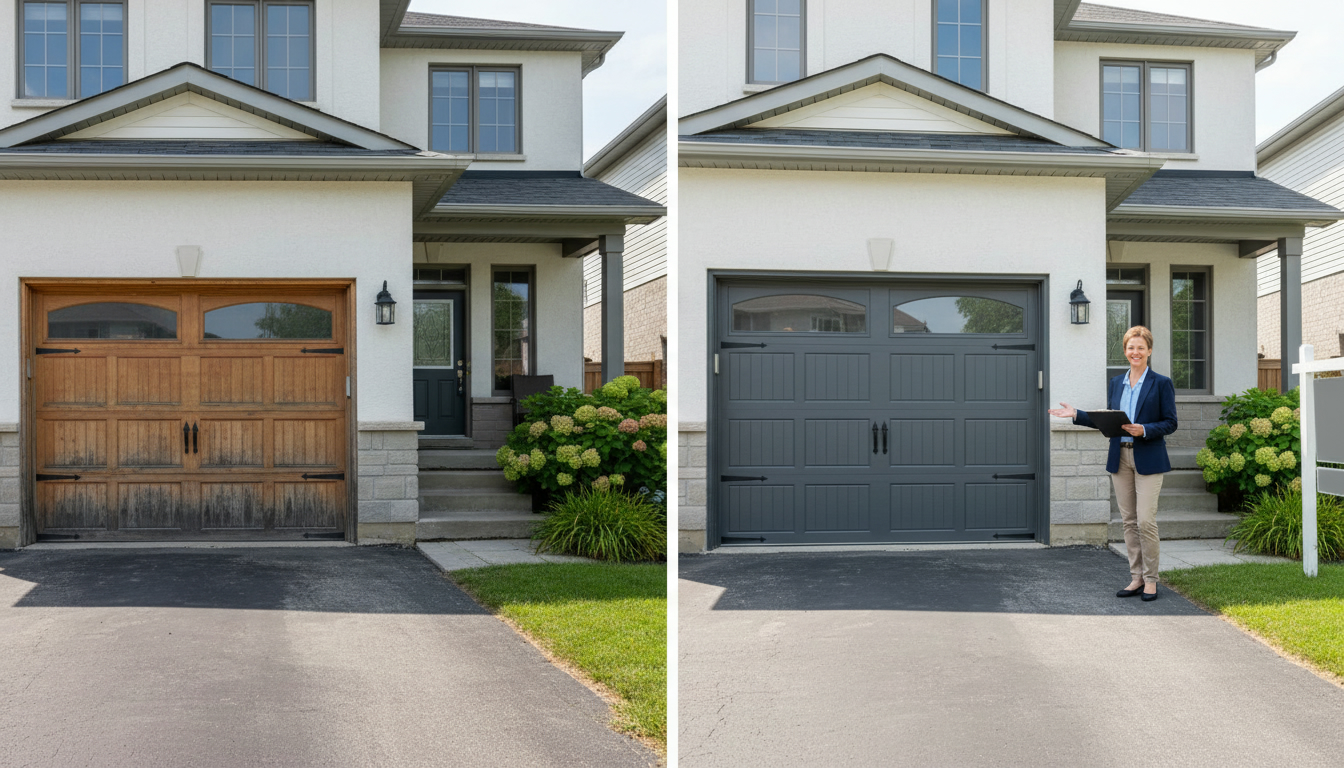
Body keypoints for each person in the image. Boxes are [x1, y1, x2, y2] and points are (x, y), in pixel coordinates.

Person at [1048, 326, 1177, 601]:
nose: (1136, 352)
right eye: (1131, 348)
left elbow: (1171, 422)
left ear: (1149, 351)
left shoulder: (1161, 383)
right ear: (1125, 351)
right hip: (1120, 456)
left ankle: (1152, 579)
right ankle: (1136, 578)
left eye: (1141, 348)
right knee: (1129, 521)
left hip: (1148, 458)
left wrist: (1144, 429)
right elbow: (1108, 419)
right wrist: (1076, 414)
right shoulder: (1116, 382)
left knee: (1145, 521)